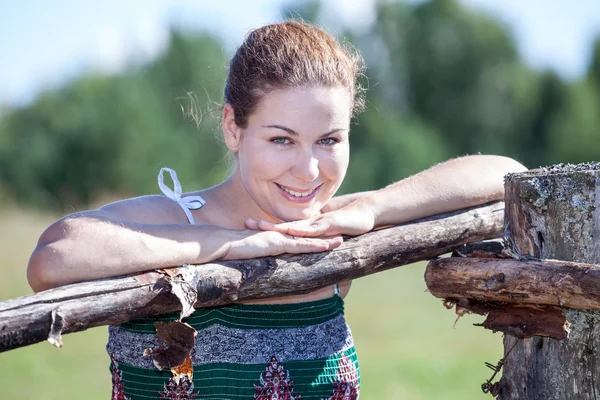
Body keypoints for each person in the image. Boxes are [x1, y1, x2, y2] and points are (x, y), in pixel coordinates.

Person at [27, 20, 526, 400]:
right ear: (233, 128)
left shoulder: (327, 224)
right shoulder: (176, 218)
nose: (308, 171)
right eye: (281, 139)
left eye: (329, 140)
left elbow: (504, 172)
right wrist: (229, 246)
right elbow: (53, 257)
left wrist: (374, 205)